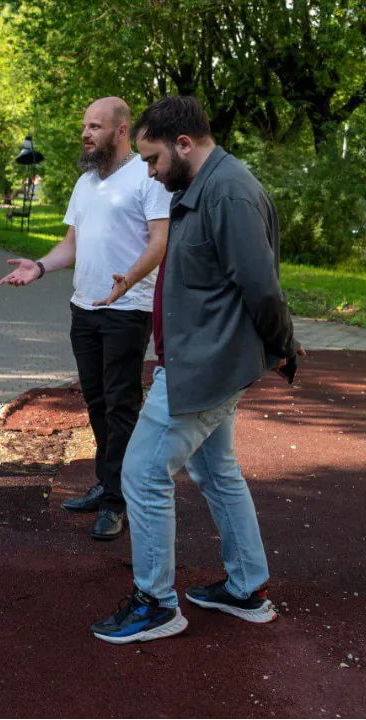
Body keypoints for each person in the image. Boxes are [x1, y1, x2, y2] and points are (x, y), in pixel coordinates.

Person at [90, 96, 304, 644]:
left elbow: (261, 287)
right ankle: (246, 588)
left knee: (141, 472)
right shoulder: (197, 187)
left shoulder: (228, 192)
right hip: (200, 359)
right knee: (216, 472)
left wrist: (283, 346)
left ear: (184, 144)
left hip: (204, 366)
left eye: (154, 159)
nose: (150, 171)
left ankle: (156, 603)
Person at [0, 97, 171, 541]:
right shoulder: (84, 183)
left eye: (95, 126)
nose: (86, 133)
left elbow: (160, 241)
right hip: (85, 309)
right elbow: (71, 246)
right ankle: (107, 483)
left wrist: (130, 280)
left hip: (127, 311)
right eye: (84, 125)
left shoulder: (147, 176)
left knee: (121, 407)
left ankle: (118, 502)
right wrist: (38, 267)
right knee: (96, 403)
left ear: (120, 130)